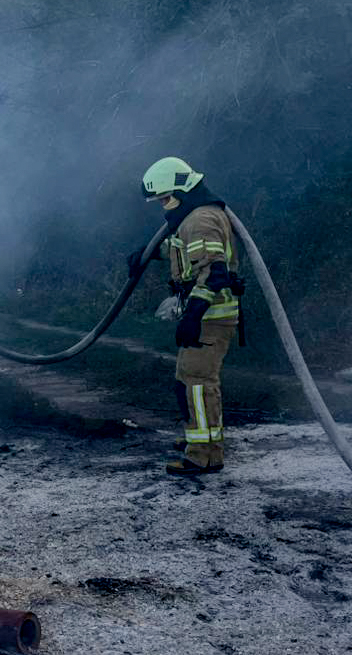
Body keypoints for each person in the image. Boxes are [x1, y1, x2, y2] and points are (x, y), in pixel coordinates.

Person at [135, 157, 240, 476]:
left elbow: (214, 272)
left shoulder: (201, 218)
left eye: (165, 198)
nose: (164, 207)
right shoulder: (196, 216)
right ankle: (205, 445)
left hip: (210, 317)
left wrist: (193, 316)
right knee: (192, 381)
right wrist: (148, 252)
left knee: (196, 384)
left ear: (182, 189)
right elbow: (185, 249)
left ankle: (203, 456)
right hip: (208, 316)